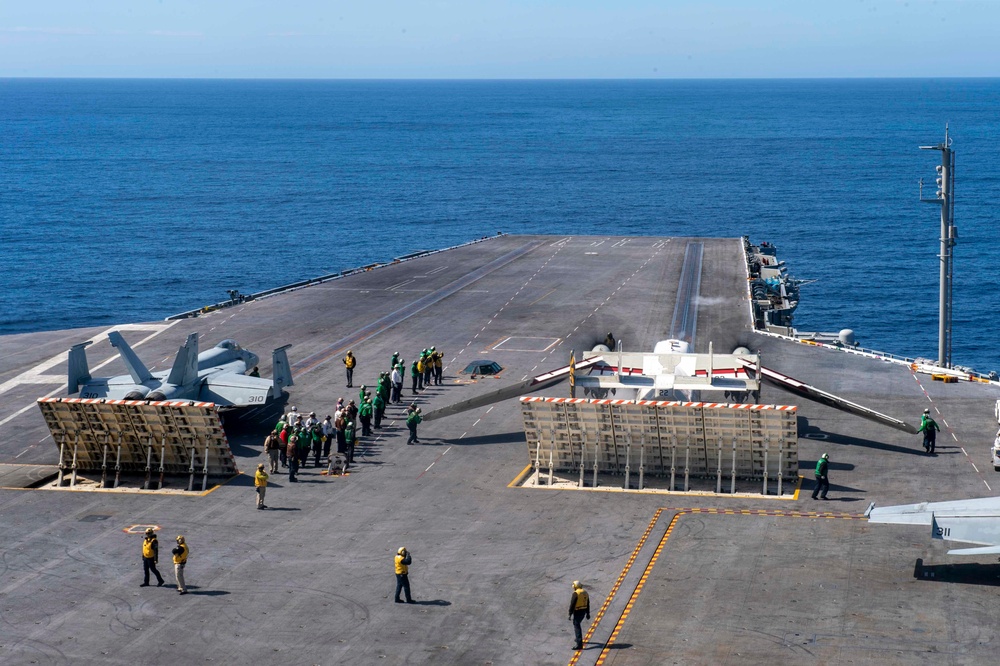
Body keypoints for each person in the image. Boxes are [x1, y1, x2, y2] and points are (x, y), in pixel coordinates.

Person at [568, 581, 591, 650]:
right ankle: (578, 638)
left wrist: (570, 613)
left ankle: (579, 643)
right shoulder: (585, 592)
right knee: (577, 623)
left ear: (575, 587)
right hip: (583, 611)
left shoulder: (576, 593)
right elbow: (588, 603)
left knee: (576, 626)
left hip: (577, 611)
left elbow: (572, 604)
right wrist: (588, 613)